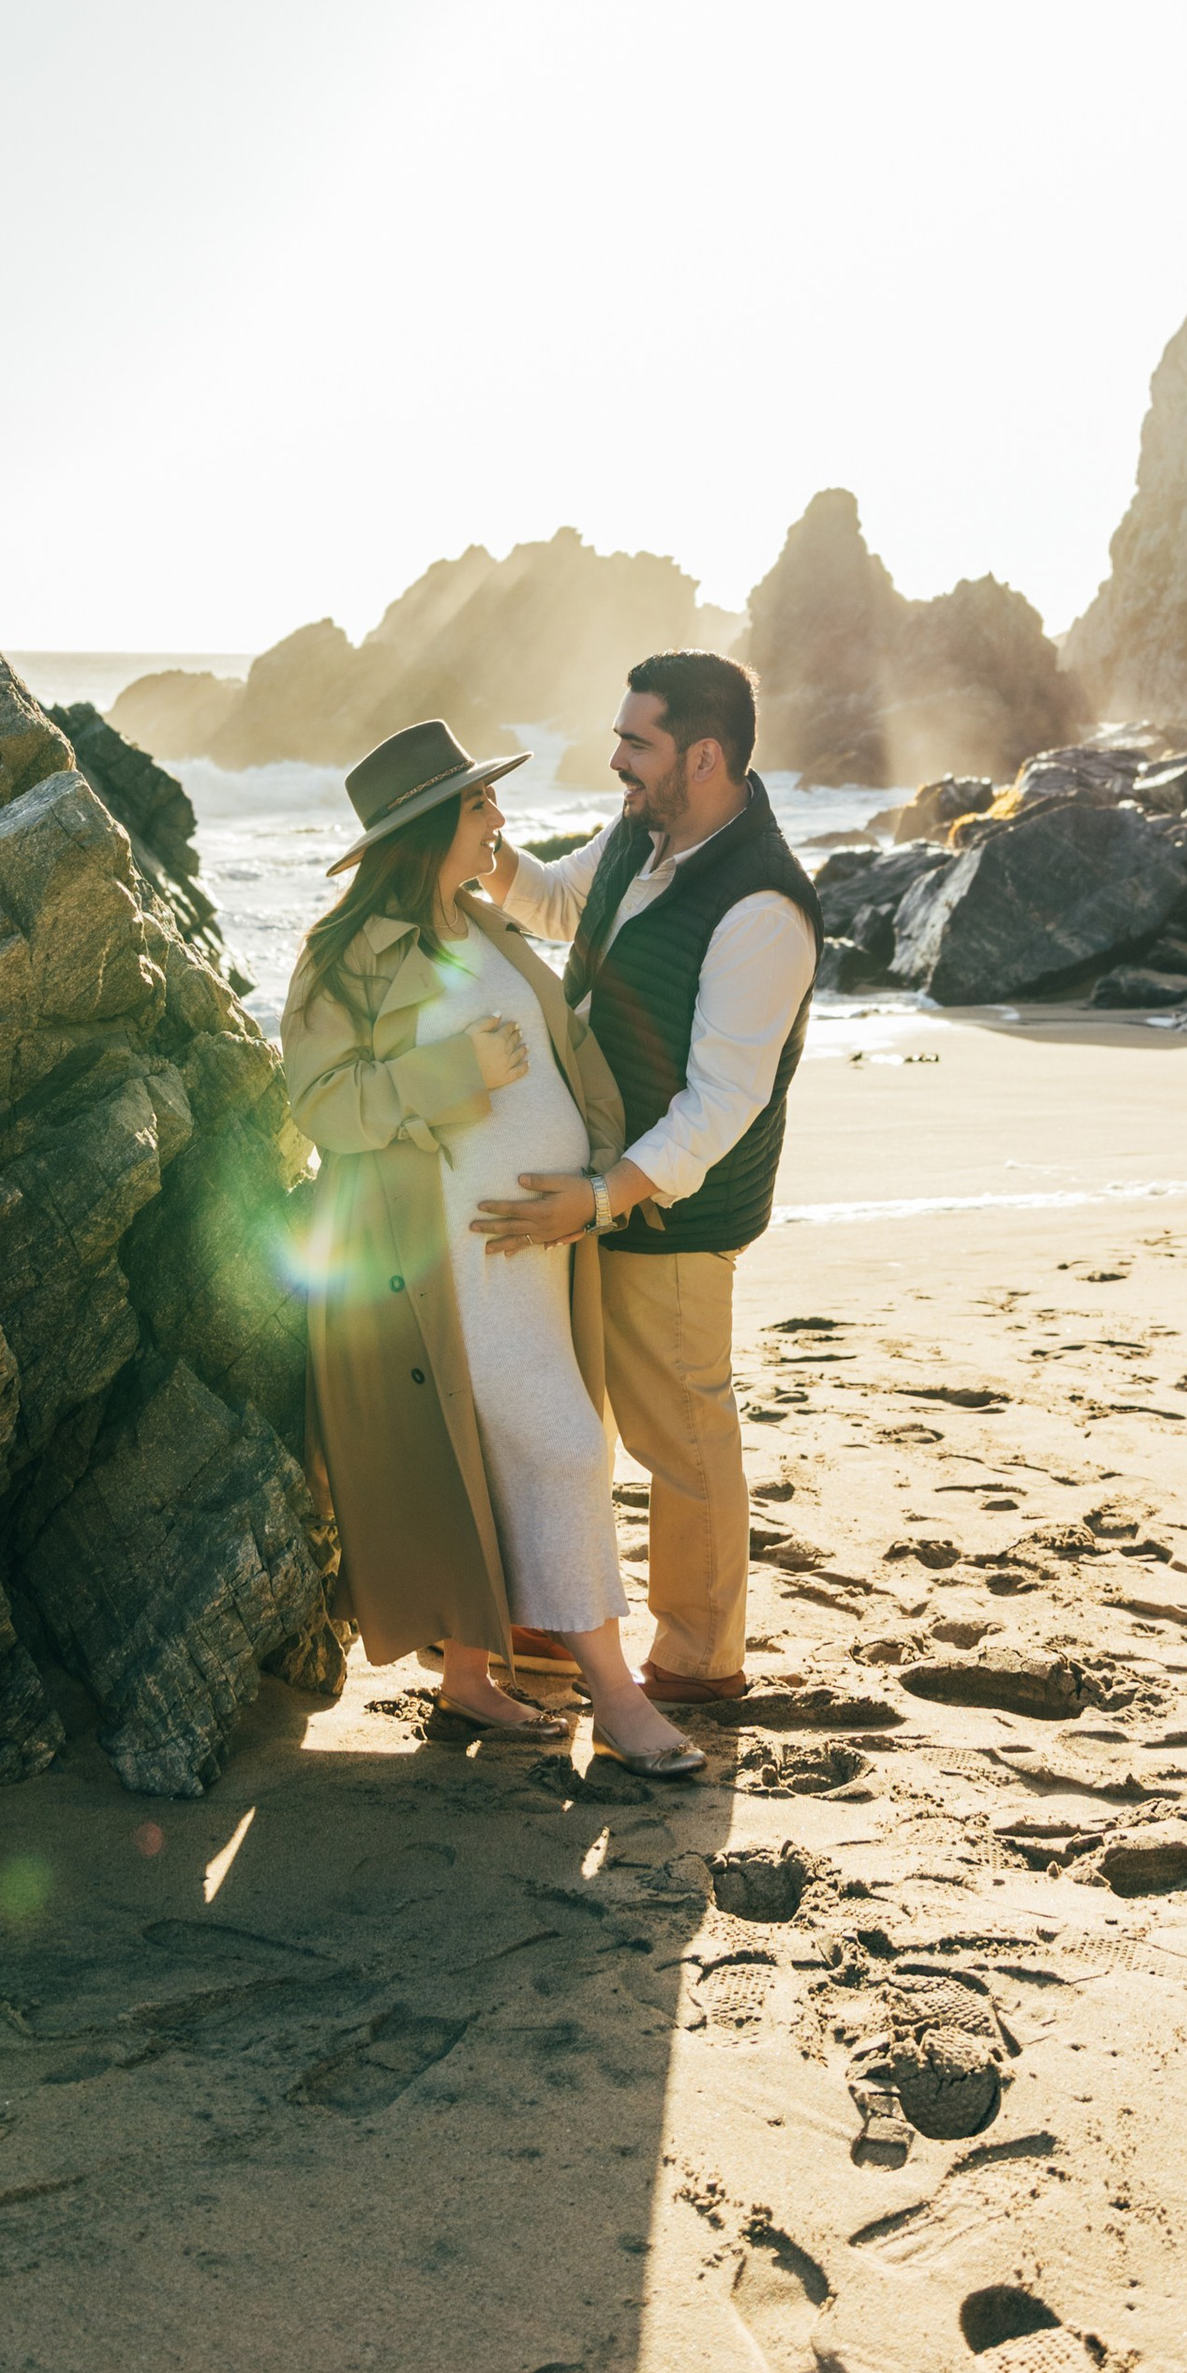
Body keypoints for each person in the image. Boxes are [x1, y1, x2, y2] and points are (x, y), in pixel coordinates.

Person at [279, 717, 704, 1778]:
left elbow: (565, 1059)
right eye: (478, 806)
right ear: (427, 829)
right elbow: (324, 1108)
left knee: (503, 1450)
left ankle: (468, 1680)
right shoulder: (342, 958)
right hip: (442, 1256)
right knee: (560, 1443)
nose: (499, 820)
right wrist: (452, 1071)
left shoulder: (489, 925)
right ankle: (614, 1696)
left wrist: (602, 1178)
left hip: (544, 1249)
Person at [480, 650, 821, 1705]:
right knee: (568, 1417)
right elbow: (553, 906)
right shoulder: (643, 833)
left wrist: (603, 1196)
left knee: (678, 1432)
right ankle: (547, 1626)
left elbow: (722, 1104)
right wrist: (482, 847)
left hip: (671, 1211)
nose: (616, 760)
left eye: (637, 743)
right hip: (596, 1189)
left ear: (704, 756)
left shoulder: (763, 908)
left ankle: (699, 1659)